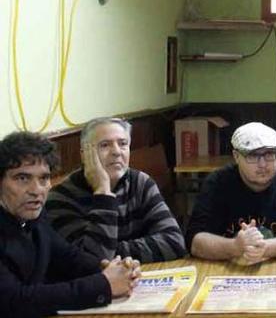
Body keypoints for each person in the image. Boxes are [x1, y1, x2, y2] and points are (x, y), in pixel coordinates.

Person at [0, 131, 140, 318]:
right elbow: (14, 301)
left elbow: (69, 259)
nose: (36, 190)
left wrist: (111, 269)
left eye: (43, 178)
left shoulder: (34, 218)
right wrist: (104, 284)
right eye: (22, 178)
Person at [46, 117, 186, 263]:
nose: (117, 152)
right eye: (105, 145)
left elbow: (174, 242)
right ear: (84, 155)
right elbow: (90, 261)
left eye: (123, 144)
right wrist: (103, 191)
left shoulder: (140, 182)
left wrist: (112, 251)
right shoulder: (60, 198)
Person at [186, 122, 276, 265]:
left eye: (269, 154)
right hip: (230, 270)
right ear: (236, 156)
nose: (262, 164)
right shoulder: (217, 182)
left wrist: (265, 248)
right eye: (253, 156)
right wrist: (235, 247)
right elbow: (194, 240)